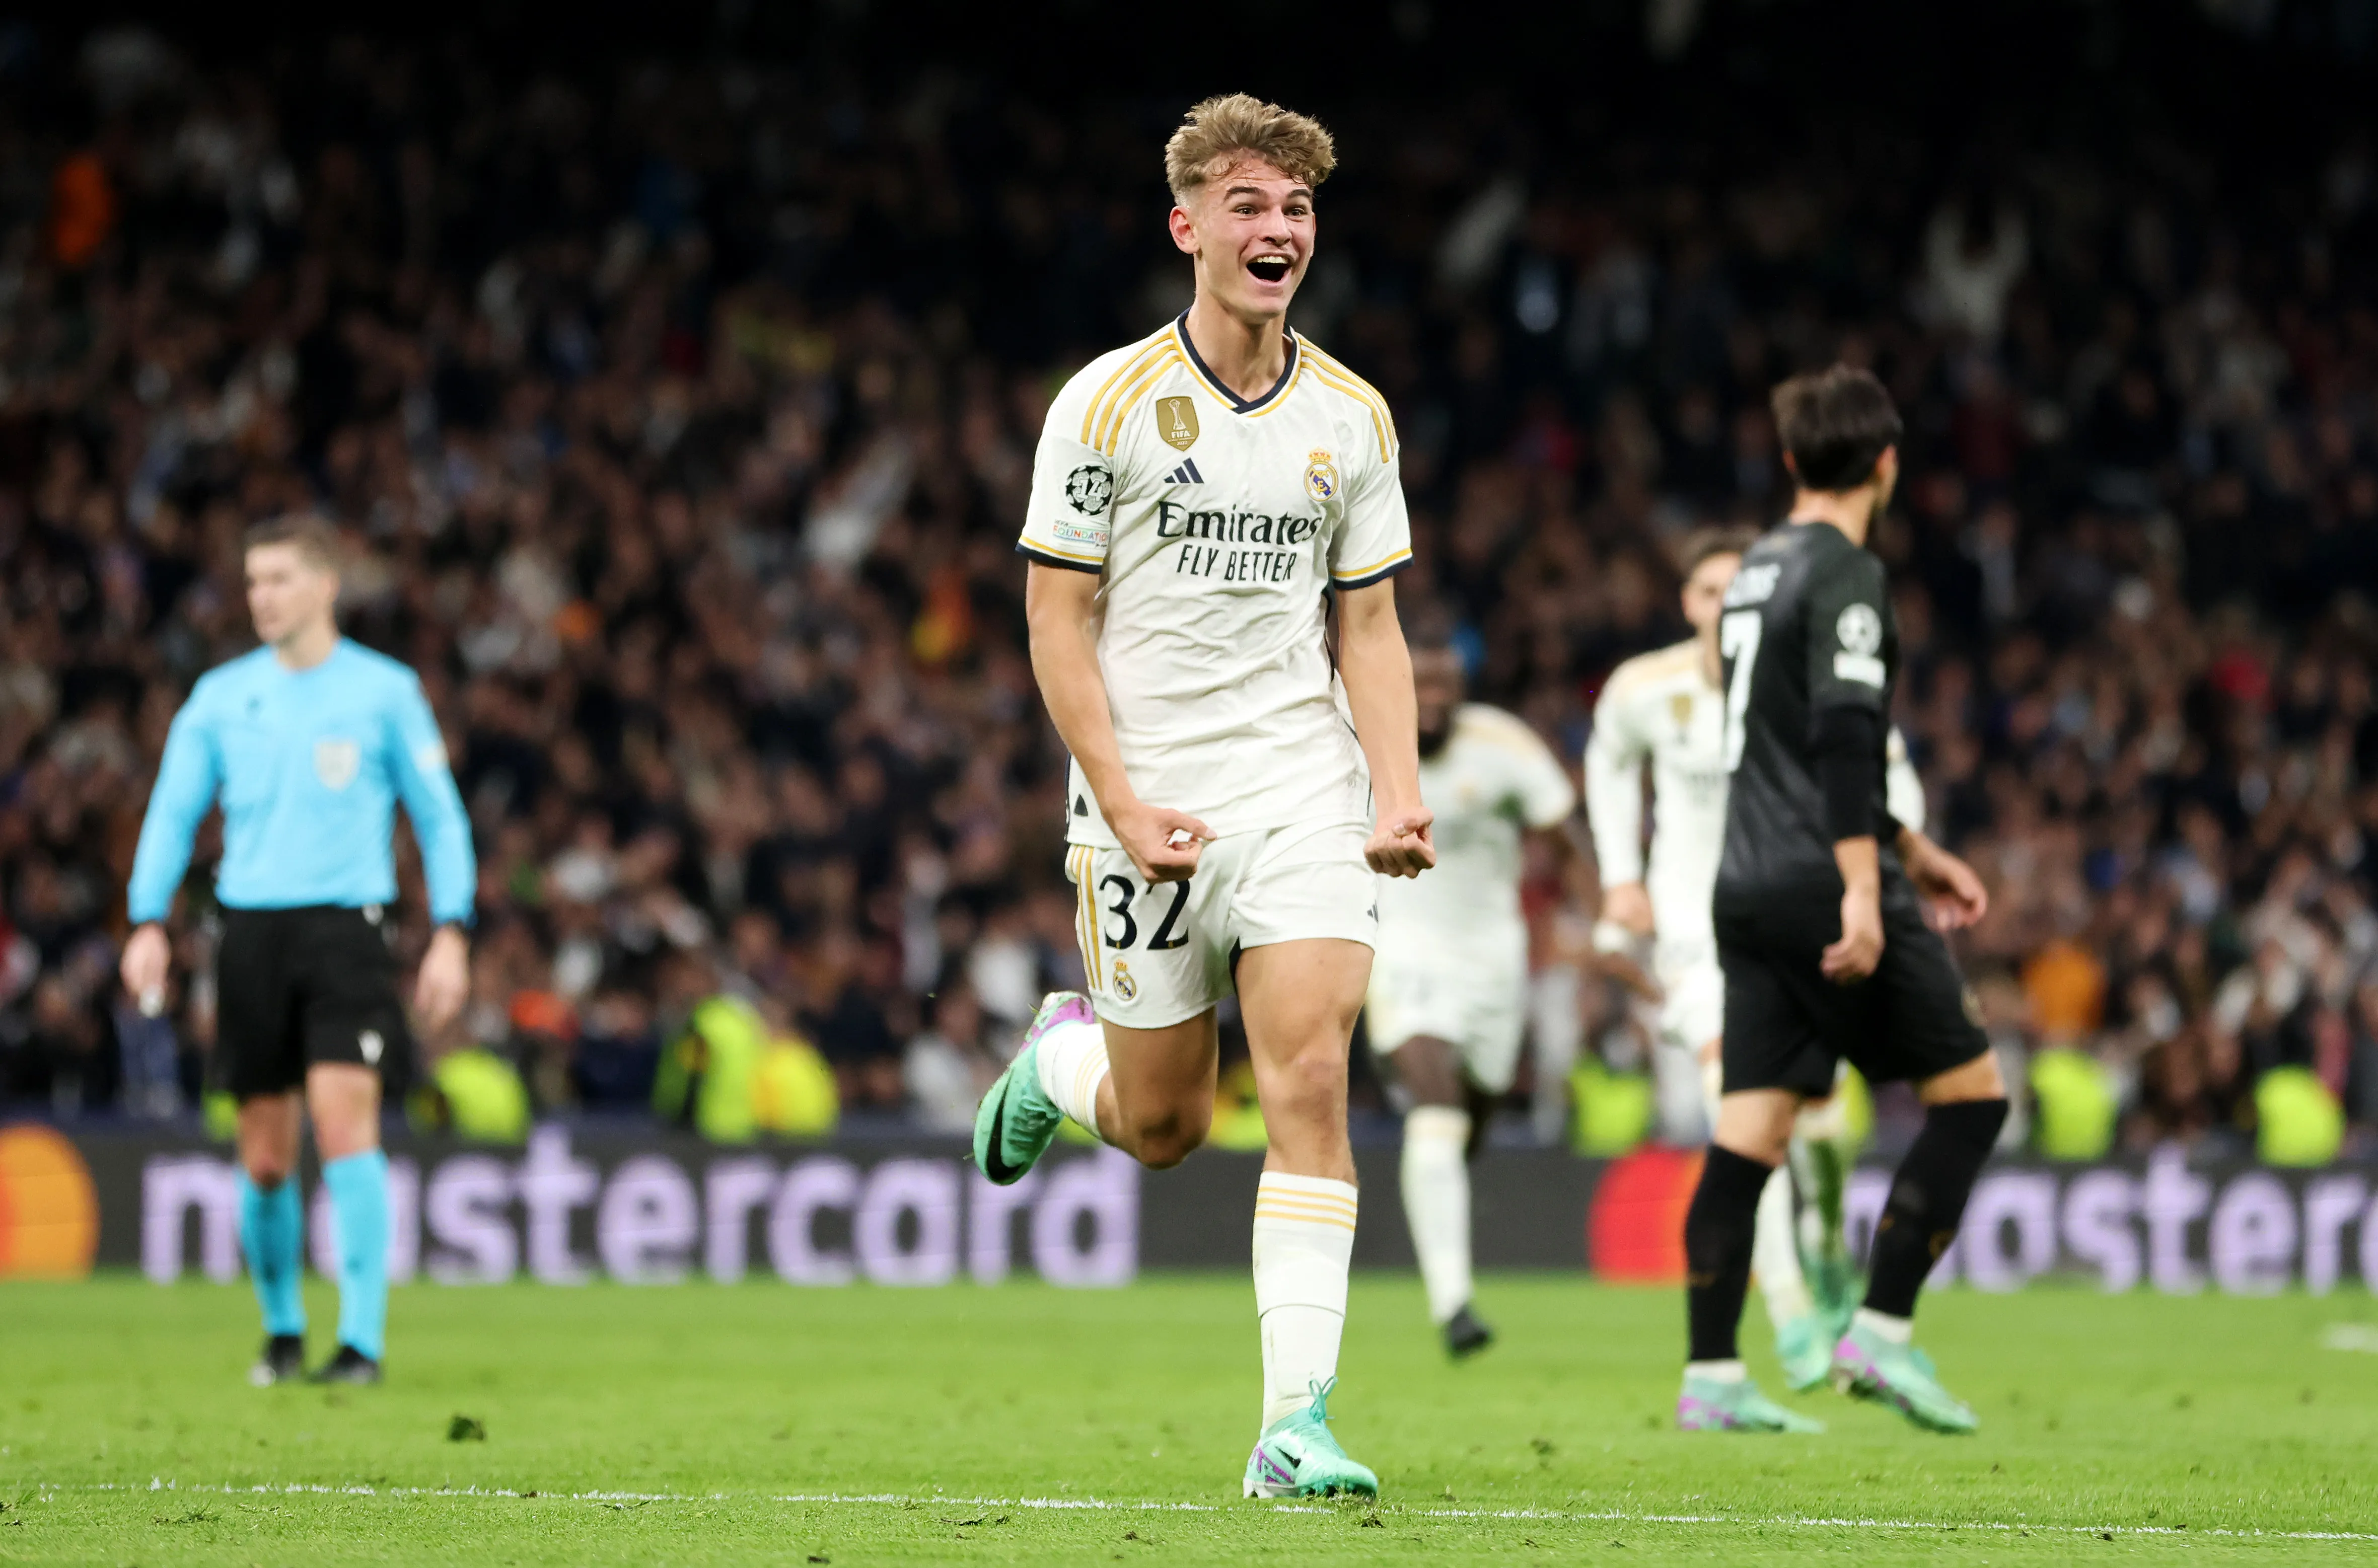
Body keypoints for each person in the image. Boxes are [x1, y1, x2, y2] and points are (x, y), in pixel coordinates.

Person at [971, 93, 1432, 1499]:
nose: (1276, 228)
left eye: (1294, 207)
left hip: (1301, 787)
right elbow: (1057, 620)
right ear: (1188, 229)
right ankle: (1062, 1064)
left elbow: (1370, 628)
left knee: (1308, 1076)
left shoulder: (1350, 416)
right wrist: (1114, 796)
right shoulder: (1105, 403)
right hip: (1146, 800)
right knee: (1168, 1127)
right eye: (1247, 205)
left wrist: (1396, 792)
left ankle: (1295, 1426)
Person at [1677, 366, 2005, 1435]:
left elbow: (1775, 743)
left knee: (1748, 1136)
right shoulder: (1849, 575)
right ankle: (1886, 1335)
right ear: (1887, 465)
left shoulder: (1756, 570)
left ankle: (1713, 1377)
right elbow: (1839, 736)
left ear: (1787, 464)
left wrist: (1915, 848)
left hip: (1744, 881)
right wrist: (1872, 885)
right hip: (1824, 878)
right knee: (1973, 1096)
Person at [121, 516, 475, 1386]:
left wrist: (453, 930)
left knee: (345, 1124)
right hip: (250, 931)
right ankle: (283, 1330)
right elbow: (172, 812)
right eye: (252, 581)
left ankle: (360, 1342)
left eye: (278, 578)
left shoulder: (385, 692)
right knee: (267, 1153)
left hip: (347, 930)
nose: (261, 597)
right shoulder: (220, 696)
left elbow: (440, 818)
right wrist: (147, 920)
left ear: (326, 586)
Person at [1586, 527, 1928, 1391]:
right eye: (1706, 590)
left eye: (1736, 588)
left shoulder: (1814, 682)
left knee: (1814, 1128)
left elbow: (1889, 772)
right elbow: (1608, 762)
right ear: (1689, 602)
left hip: (1801, 925)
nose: (1721, 603)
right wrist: (1622, 878)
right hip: (1699, 936)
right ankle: (1792, 1318)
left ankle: (1820, 1246)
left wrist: (1889, 870)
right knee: (1734, 1107)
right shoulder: (1644, 688)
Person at [1366, 622, 1577, 1360]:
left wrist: (1599, 916)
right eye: (1416, 684)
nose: (1429, 700)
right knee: (1437, 1103)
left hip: (1494, 964)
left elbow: (1563, 833)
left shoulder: (1502, 745)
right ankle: (1453, 1302)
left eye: (1443, 686)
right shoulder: (1354, 734)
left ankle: (1446, 1234)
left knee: (1469, 1118)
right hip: (1399, 952)